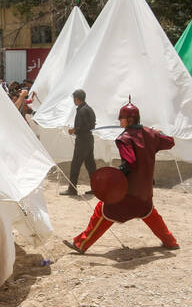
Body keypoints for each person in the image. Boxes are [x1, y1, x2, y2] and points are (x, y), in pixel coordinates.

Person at [64, 99, 179, 253]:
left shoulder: (124, 139)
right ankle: (170, 241)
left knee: (103, 211)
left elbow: (130, 162)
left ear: (129, 120)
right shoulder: (151, 134)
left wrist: (114, 178)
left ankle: (81, 244)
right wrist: (158, 133)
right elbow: (170, 142)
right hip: (144, 189)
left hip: (129, 191)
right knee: (149, 213)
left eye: (121, 118)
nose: (119, 120)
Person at [62, 89, 97, 196]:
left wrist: (74, 130)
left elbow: (83, 126)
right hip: (89, 139)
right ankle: (96, 188)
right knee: (90, 165)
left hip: (82, 140)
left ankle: (72, 189)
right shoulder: (89, 109)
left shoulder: (82, 111)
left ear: (77, 99)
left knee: (75, 165)